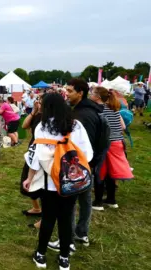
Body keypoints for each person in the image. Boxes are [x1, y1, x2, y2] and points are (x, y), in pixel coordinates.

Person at [22, 93, 93, 270]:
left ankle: (41, 255)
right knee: (66, 219)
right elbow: (88, 154)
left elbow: (35, 159)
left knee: (48, 218)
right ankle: (64, 258)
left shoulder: (42, 127)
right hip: (71, 181)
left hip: (50, 183)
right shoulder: (76, 126)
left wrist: (29, 178)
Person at [62, 78, 105, 248]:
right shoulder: (91, 110)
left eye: (70, 91)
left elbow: (83, 144)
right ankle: (81, 233)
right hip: (90, 163)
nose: (67, 93)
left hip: (80, 165)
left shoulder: (82, 115)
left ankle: (69, 238)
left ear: (80, 93)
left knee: (71, 202)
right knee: (86, 200)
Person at [90, 87, 133, 210]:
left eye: (92, 93)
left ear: (98, 96)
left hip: (106, 144)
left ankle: (98, 202)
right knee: (111, 172)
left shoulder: (99, 111)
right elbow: (123, 127)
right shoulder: (114, 110)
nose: (90, 95)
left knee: (100, 171)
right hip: (118, 143)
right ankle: (111, 200)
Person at [20, 96, 43, 229]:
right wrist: (33, 111)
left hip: (43, 154)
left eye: (41, 102)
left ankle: (44, 217)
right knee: (27, 180)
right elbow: (24, 126)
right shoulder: (37, 115)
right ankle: (36, 208)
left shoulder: (50, 118)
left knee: (42, 185)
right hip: (33, 151)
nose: (38, 104)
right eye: (38, 102)